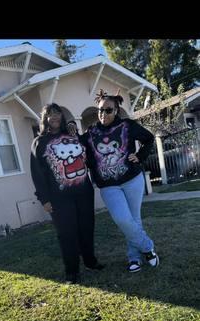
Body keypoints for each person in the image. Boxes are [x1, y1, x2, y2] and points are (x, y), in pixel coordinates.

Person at [68, 89, 159, 273]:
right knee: (122, 219)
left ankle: (134, 258)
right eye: (100, 110)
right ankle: (148, 247)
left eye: (108, 110)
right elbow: (78, 144)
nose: (103, 114)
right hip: (108, 186)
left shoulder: (127, 126)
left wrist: (140, 156)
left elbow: (149, 139)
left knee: (134, 220)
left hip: (132, 179)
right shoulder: (92, 132)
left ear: (116, 110)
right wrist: (71, 130)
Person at [30, 103, 104, 284]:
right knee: (67, 233)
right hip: (59, 198)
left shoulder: (71, 135)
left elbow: (88, 150)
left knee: (86, 228)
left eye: (57, 114)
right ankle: (72, 271)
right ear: (44, 119)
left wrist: (73, 126)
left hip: (84, 192)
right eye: (50, 114)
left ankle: (90, 262)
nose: (54, 117)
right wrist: (44, 199)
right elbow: (37, 173)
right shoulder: (39, 142)